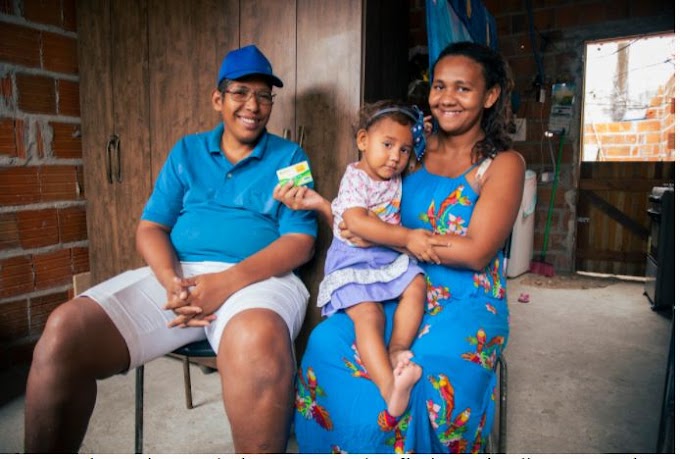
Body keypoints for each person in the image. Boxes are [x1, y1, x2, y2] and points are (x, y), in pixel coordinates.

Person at [24, 44, 318, 453]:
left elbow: (300, 241)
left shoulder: (290, 156)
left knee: (257, 340)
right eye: (241, 93)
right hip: (180, 275)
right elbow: (151, 227)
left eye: (264, 95)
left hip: (257, 279)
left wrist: (226, 282)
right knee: (63, 332)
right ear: (218, 99)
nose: (253, 105)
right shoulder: (187, 151)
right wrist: (171, 282)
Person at [275, 41, 525, 453]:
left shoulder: (501, 164)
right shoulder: (409, 153)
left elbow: (478, 251)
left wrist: (398, 240)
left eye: (463, 89)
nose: (447, 98)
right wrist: (323, 205)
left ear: (490, 95)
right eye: (439, 86)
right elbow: (365, 219)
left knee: (424, 370)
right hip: (393, 284)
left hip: (466, 298)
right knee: (327, 342)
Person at [292, 100, 448, 419]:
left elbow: (422, 161)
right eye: (387, 145)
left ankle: (397, 348)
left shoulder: (395, 174)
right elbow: (357, 223)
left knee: (417, 285)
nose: (396, 157)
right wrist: (406, 237)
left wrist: (426, 138)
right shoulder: (356, 178)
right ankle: (389, 389)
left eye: (405, 150)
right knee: (369, 317)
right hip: (353, 262)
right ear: (363, 141)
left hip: (384, 256)